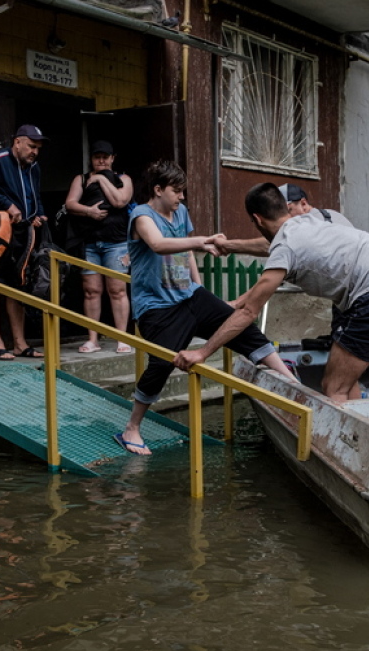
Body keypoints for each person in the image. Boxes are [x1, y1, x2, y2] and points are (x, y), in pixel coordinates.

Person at [173, 183, 369, 404]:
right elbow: (269, 245)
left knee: (334, 388)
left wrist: (202, 352)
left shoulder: (285, 246)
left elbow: (249, 311)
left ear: (258, 219)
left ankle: (349, 453)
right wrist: (229, 246)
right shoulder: (311, 220)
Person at [115, 162, 295, 455]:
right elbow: (159, 245)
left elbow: (185, 253)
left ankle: (293, 384)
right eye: (177, 191)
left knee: (242, 327)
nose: (182, 197)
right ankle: (131, 428)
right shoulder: (141, 215)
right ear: (158, 190)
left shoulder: (180, 213)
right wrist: (205, 241)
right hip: (157, 307)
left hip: (190, 295)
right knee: (161, 364)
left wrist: (198, 288)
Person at [0, 125, 50, 361]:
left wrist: (38, 214)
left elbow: (36, 197)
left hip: (21, 235)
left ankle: (20, 344)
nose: (35, 151)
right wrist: (6, 204)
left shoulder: (34, 168)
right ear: (17, 142)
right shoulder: (0, 159)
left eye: (38, 148)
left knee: (17, 287)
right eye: (32, 146)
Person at [62, 140, 134, 354]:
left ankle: (121, 338)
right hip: (89, 242)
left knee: (118, 290)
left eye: (105, 156)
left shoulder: (123, 179)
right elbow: (70, 204)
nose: (101, 160)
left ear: (112, 158)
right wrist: (88, 211)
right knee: (91, 291)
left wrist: (102, 179)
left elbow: (120, 201)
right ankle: (92, 339)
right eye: (97, 157)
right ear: (91, 159)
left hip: (117, 243)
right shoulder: (81, 179)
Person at [210, 183, 351, 257]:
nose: (283, 219)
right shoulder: (332, 215)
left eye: (287, 211)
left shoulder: (315, 220)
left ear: (303, 204)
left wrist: (227, 245)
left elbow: (272, 244)